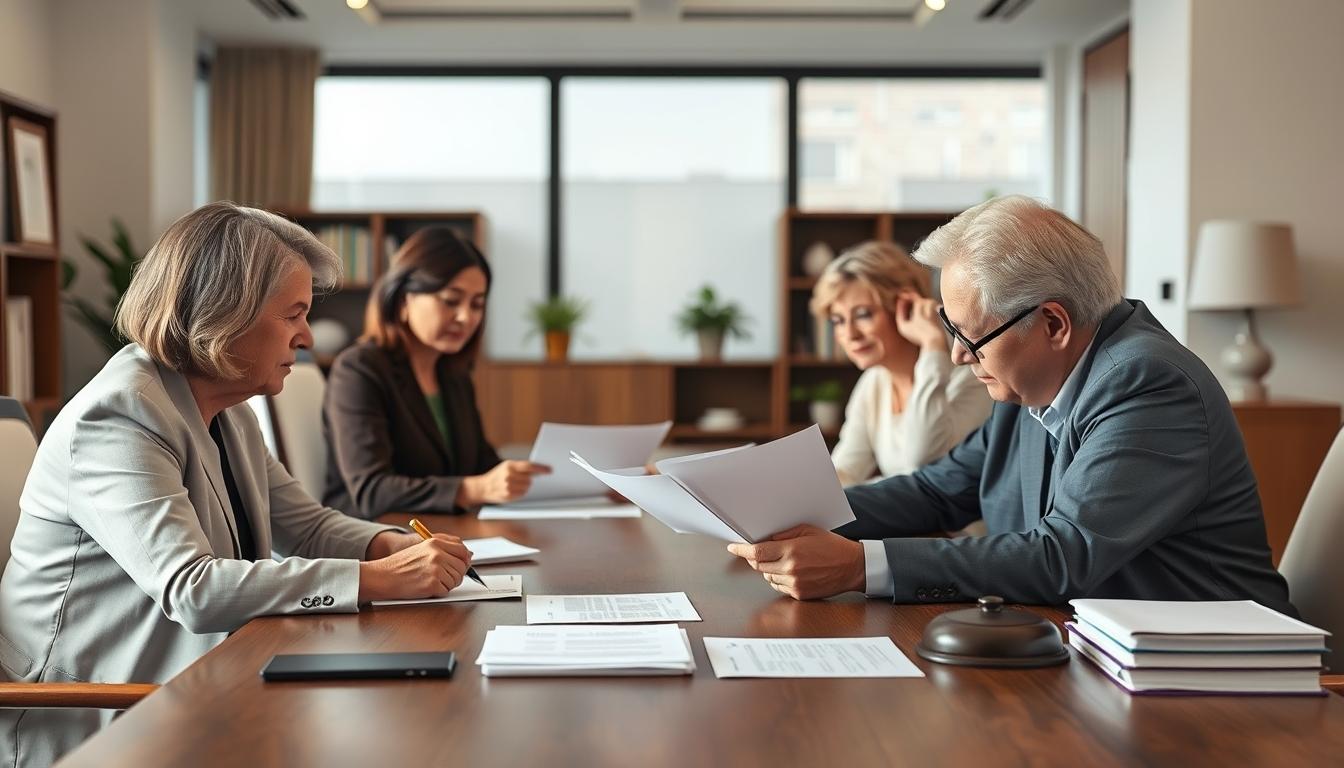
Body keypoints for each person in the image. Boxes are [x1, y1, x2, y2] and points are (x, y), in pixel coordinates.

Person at [0, 203, 476, 767]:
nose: (306, 336)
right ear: (226, 315)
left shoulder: (227, 410)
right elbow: (193, 590)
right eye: (293, 314)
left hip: (194, 685)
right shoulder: (119, 416)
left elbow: (306, 525)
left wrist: (387, 545)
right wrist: (374, 578)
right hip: (95, 718)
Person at [728, 195, 1295, 617]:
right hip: (1098, 650)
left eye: (970, 336)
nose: (955, 354)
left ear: (1052, 322)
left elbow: (1061, 555)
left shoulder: (1146, 384)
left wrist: (859, 565)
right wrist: (792, 512)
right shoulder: (1030, 379)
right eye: (950, 328)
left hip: (1219, 675)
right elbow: (938, 491)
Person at [322, 227, 549, 520]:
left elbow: (482, 465)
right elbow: (371, 490)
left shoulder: (453, 375)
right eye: (451, 300)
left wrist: (567, 484)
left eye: (477, 304)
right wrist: (474, 489)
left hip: (444, 534)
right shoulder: (358, 370)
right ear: (403, 301)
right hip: (375, 539)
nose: (466, 317)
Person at [812, 241, 990, 486]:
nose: (850, 334)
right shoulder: (874, 382)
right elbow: (846, 469)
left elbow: (924, 457)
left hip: (961, 525)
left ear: (905, 306)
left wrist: (932, 344)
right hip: (909, 522)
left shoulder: (966, 371)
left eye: (863, 314)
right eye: (838, 320)